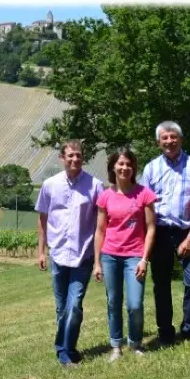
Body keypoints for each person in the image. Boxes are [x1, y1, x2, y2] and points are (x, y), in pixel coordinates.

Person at [36, 139, 105, 367]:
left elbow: (100, 225)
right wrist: (41, 252)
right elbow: (43, 219)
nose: (75, 159)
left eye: (78, 155)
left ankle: (64, 350)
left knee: (74, 304)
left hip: (82, 255)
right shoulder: (49, 185)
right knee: (61, 306)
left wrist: (97, 260)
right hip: (58, 255)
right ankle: (68, 348)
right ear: (62, 158)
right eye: (70, 155)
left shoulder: (95, 186)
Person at [139, 121, 190, 346]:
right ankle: (165, 332)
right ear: (158, 142)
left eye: (173, 137)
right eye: (165, 138)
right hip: (160, 233)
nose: (170, 141)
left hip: (189, 231)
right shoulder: (150, 169)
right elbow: (144, 205)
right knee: (162, 284)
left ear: (181, 139)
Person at [93, 148, 157, 361]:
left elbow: (151, 228)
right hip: (110, 255)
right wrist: (97, 263)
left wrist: (144, 259)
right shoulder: (105, 197)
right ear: (113, 167)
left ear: (134, 168)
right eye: (120, 164)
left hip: (135, 257)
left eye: (129, 164)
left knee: (135, 304)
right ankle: (116, 346)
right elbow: (100, 230)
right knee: (113, 302)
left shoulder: (144, 194)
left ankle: (135, 343)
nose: (124, 168)